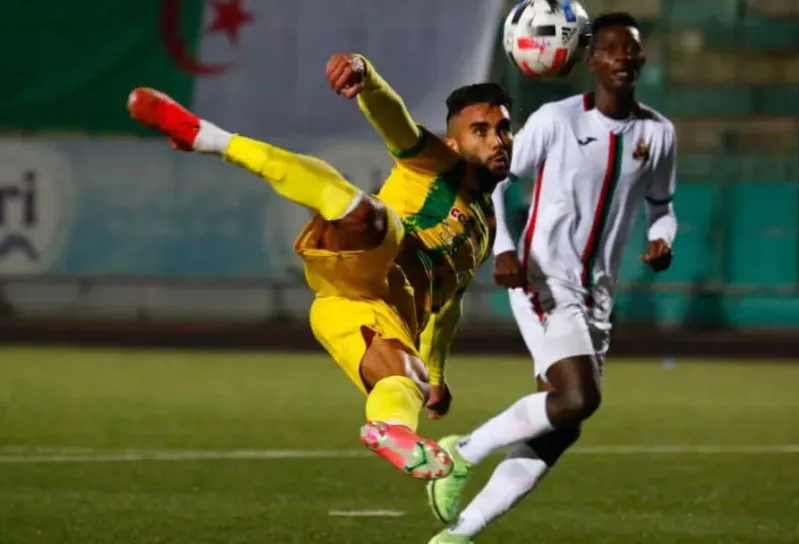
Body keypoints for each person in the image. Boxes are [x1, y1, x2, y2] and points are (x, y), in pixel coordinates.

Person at [127, 53, 513, 481]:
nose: (498, 141)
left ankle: (392, 431)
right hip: (374, 259)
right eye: (481, 130)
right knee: (368, 217)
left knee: (409, 379)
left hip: (364, 311)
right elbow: (395, 121)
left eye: (503, 128)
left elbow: (448, 306)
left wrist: (436, 374)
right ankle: (206, 137)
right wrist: (367, 77)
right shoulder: (438, 165)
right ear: (453, 143)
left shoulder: (485, 229)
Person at [426, 12, 677, 542]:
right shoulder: (555, 121)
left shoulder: (658, 133)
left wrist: (663, 238)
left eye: (631, 48)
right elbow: (495, 179)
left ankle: (459, 533)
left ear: (641, 58)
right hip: (543, 276)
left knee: (561, 423)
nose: (623, 56)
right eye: (611, 48)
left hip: (597, 294)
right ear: (591, 59)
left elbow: (662, 205)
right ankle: (463, 451)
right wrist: (505, 247)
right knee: (579, 397)